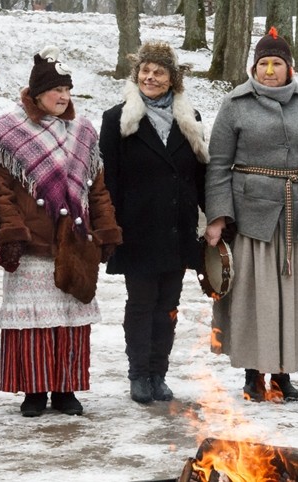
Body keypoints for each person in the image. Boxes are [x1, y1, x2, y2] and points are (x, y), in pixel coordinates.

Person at [204, 27, 298, 402]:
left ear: (289, 68)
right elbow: (218, 165)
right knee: (253, 297)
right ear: (254, 66)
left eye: (276, 63)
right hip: (252, 218)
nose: (268, 70)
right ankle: (252, 374)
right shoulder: (235, 104)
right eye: (262, 63)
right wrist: (217, 216)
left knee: (292, 296)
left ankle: (283, 374)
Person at [0, 46, 122, 416]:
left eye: (67, 90)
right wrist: (12, 231)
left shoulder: (83, 131)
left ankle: (65, 390)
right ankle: (34, 391)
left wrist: (106, 228)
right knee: (33, 324)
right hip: (34, 246)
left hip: (74, 241)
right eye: (55, 90)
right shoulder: (6, 131)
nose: (63, 97)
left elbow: (97, 189)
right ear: (36, 92)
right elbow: (1, 191)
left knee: (70, 320)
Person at [100, 41, 208, 404]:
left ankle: (159, 372)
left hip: (177, 230)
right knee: (142, 303)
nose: (150, 77)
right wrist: (110, 227)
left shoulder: (190, 119)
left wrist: (214, 219)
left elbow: (200, 177)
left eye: (159, 72)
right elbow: (108, 178)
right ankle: (139, 374)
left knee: (169, 304)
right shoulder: (117, 119)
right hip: (138, 229)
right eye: (145, 71)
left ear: (172, 79)